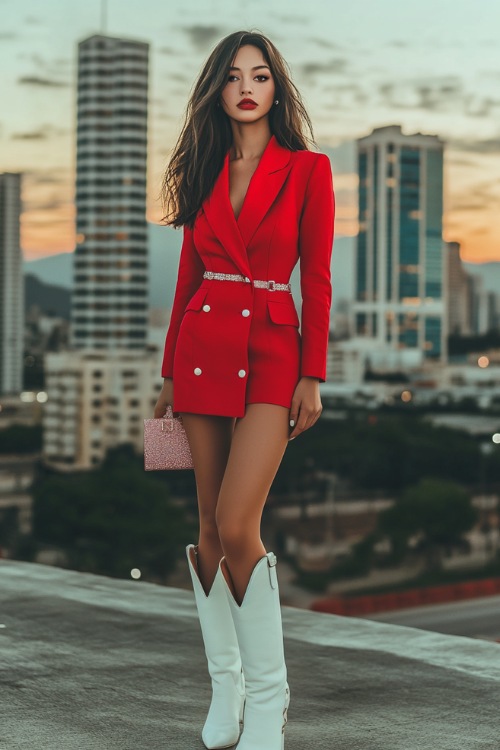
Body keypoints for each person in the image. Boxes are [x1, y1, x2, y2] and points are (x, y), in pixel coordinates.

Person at [154, 29, 335, 750]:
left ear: (276, 89)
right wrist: (168, 373)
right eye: (233, 77)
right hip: (200, 353)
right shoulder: (204, 171)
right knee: (205, 529)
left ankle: (270, 698)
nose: (247, 87)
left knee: (237, 525)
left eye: (260, 75)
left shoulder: (307, 170)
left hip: (271, 354)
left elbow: (316, 279)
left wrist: (312, 373)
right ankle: (224, 689)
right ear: (217, 91)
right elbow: (186, 279)